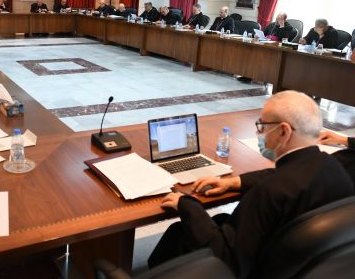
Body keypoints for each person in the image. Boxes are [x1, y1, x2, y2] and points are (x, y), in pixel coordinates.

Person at [148, 90, 354, 278]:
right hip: (300, 264)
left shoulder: (268, 192)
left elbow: (226, 258)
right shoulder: (334, 166)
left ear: (284, 132)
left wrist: (186, 204)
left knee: (179, 233)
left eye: (262, 126)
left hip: (251, 269)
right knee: (220, 218)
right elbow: (285, 174)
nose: (259, 133)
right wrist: (234, 182)